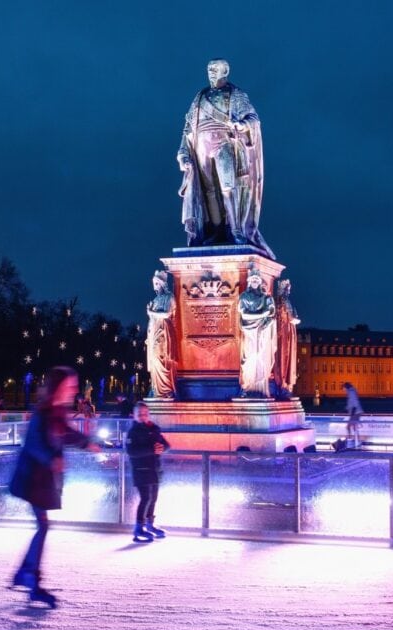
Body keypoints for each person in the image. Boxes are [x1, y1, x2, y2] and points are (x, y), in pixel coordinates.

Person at [9, 366, 98, 608]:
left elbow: (65, 434)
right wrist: (52, 459)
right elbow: (34, 444)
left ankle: (25, 574)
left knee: (43, 526)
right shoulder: (44, 412)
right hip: (33, 479)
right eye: (71, 385)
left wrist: (87, 443)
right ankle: (31, 581)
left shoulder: (57, 411)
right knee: (43, 527)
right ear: (59, 386)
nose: (75, 390)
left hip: (41, 479)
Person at [177, 59, 272, 257]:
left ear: (225, 71)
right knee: (209, 190)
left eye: (215, 69)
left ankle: (235, 229)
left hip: (224, 142)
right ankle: (217, 229)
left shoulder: (235, 94)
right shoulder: (200, 96)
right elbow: (187, 128)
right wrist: (183, 152)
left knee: (228, 187)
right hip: (201, 146)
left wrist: (242, 125)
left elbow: (252, 118)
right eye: (209, 69)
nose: (210, 72)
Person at [125, 401, 171, 543]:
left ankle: (150, 524)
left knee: (153, 498)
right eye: (140, 414)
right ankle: (138, 528)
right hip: (140, 470)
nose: (143, 416)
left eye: (145, 414)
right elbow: (131, 451)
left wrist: (161, 448)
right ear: (134, 415)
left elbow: (166, 445)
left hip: (154, 469)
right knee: (145, 498)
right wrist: (152, 449)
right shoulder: (133, 432)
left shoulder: (154, 429)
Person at [238, 266, 276, 397]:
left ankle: (260, 387)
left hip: (261, 331)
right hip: (249, 331)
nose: (255, 281)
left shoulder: (266, 298)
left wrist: (267, 319)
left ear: (260, 281)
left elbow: (271, 315)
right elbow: (244, 315)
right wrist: (262, 314)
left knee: (260, 357)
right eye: (253, 279)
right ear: (249, 281)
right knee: (248, 358)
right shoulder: (244, 296)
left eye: (257, 279)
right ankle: (247, 386)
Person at [146, 270, 176, 399]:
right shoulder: (156, 299)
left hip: (163, 331)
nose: (154, 287)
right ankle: (157, 389)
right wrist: (148, 335)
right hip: (154, 333)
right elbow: (151, 320)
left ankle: (165, 390)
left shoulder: (169, 297)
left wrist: (151, 312)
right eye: (154, 283)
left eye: (157, 283)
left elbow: (167, 314)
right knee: (154, 361)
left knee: (160, 359)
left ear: (163, 284)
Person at [343, 382, 363, 446]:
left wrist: (352, 413)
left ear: (346, 387)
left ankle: (351, 440)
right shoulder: (351, 392)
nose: (344, 390)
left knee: (348, 427)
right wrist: (346, 408)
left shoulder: (351, 392)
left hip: (355, 412)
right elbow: (351, 403)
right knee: (354, 427)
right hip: (356, 412)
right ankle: (357, 441)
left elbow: (355, 403)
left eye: (344, 388)